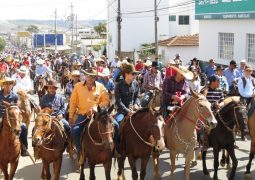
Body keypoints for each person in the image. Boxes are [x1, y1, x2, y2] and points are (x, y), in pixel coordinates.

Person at [69, 67, 109, 153]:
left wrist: (96, 108)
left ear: (96, 77)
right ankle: (80, 150)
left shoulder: (101, 86)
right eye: (88, 76)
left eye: (93, 77)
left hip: (97, 115)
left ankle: (114, 149)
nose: (90, 78)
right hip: (83, 114)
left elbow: (106, 101)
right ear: (85, 76)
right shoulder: (77, 86)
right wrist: (71, 116)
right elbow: (72, 102)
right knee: (75, 131)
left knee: (114, 126)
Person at [114, 64, 141, 153]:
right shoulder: (119, 85)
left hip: (134, 110)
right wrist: (127, 111)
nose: (135, 76)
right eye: (133, 74)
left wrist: (137, 104)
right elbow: (118, 101)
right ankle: (116, 146)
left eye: (135, 74)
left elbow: (138, 96)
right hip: (122, 111)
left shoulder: (136, 84)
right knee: (117, 124)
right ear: (126, 74)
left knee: (146, 121)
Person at [0, 77, 28, 156]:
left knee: (23, 127)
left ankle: (24, 149)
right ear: (3, 85)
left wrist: (9, 105)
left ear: (12, 85)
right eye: (6, 83)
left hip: (13, 117)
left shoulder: (15, 96)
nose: (8, 85)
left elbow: (18, 105)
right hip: (1, 116)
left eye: (10, 83)